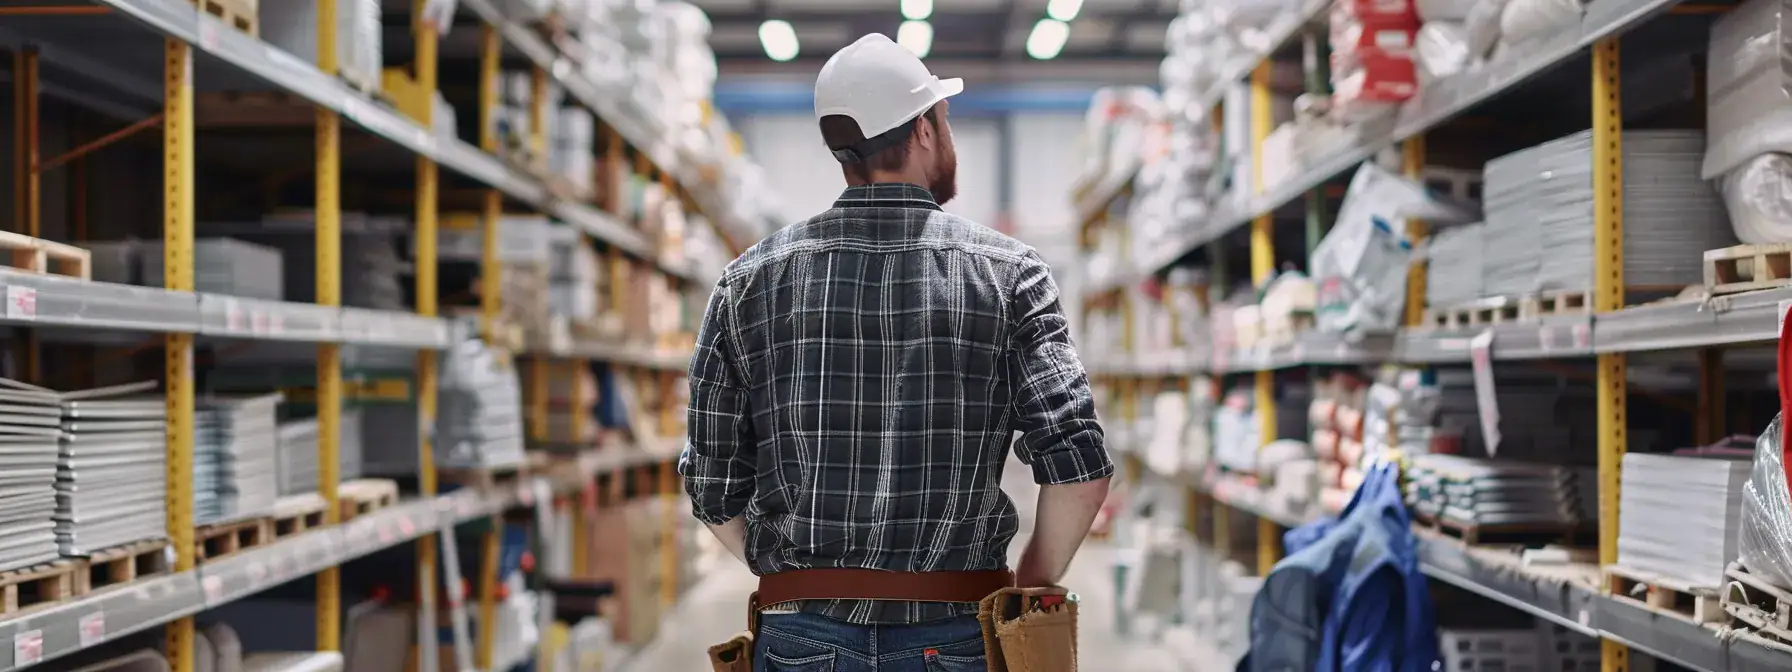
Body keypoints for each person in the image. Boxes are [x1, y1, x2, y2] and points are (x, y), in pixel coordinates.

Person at [679, 33, 1112, 672]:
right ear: (924, 129)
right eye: (944, 117)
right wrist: (1026, 587)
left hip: (800, 638)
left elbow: (711, 484)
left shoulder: (747, 281)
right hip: (958, 633)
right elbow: (1080, 470)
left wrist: (797, 581)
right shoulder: (1010, 274)